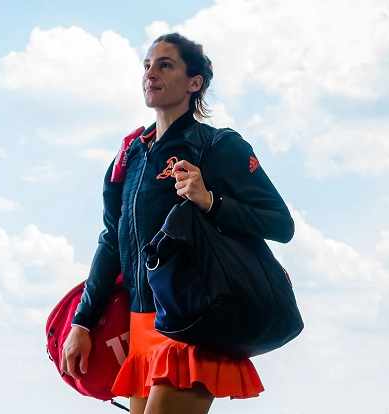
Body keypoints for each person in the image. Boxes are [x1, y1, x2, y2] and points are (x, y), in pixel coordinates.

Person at [60, 32, 294, 414]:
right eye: (147, 65)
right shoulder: (128, 157)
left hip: (193, 322)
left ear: (194, 82)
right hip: (141, 326)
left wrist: (210, 201)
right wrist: (82, 323)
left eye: (165, 65)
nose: (150, 73)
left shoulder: (218, 146)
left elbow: (281, 224)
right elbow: (111, 240)